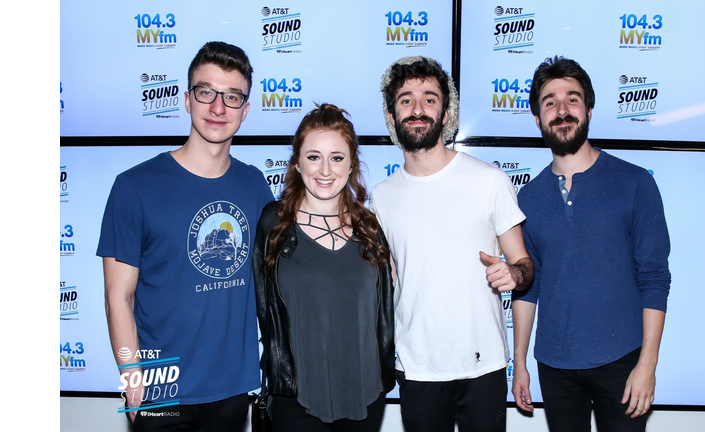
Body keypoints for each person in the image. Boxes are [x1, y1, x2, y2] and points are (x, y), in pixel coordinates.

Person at [97, 41, 273, 431]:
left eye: (232, 97)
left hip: (232, 386)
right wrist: (130, 373)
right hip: (160, 390)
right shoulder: (134, 187)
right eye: (206, 92)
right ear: (187, 99)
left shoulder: (255, 185)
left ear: (245, 111)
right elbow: (118, 296)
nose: (218, 108)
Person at [370, 56, 533, 432]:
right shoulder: (380, 198)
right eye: (406, 99)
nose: (417, 109)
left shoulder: (489, 181)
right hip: (417, 365)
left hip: (484, 365)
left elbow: (524, 264)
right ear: (392, 116)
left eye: (429, 98)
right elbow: (386, 283)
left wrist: (514, 272)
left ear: (446, 114)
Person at [510, 56, 671, 432]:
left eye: (572, 99)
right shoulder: (527, 199)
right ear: (538, 119)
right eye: (550, 102)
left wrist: (647, 366)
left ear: (589, 110)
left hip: (624, 361)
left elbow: (655, 279)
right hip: (554, 365)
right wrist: (519, 362)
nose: (561, 110)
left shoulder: (635, 183)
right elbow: (527, 288)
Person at [253, 103, 395, 432]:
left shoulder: (370, 228)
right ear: (298, 164)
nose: (325, 170)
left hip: (365, 395)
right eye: (314, 156)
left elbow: (383, 313)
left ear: (351, 164)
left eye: (337, 157)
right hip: (295, 398)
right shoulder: (273, 224)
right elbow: (263, 306)